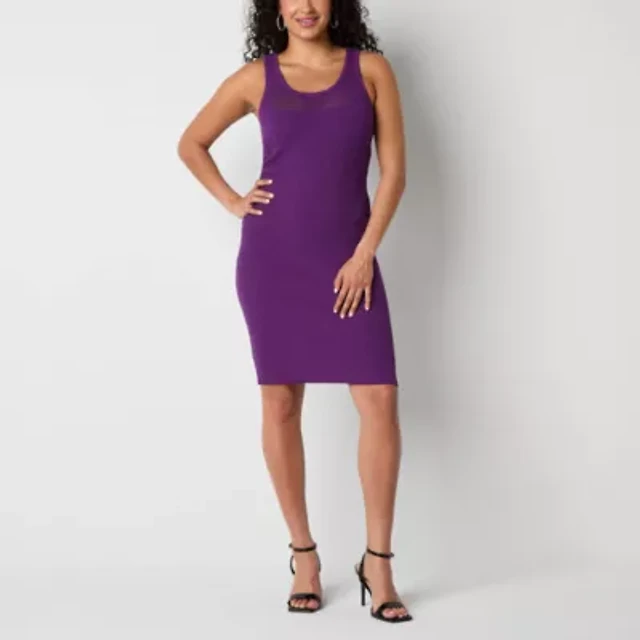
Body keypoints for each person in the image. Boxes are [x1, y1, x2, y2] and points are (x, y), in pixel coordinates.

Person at [177, 0, 411, 624]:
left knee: (379, 398)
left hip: (350, 260)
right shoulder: (256, 78)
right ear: (275, 7)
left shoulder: (371, 70)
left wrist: (364, 254)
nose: (305, 6)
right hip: (273, 261)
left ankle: (379, 563)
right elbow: (191, 143)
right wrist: (233, 200)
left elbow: (393, 174)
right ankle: (304, 556)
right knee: (280, 402)